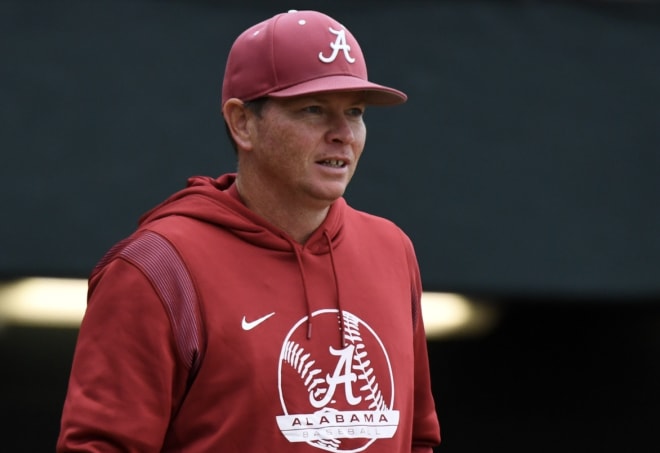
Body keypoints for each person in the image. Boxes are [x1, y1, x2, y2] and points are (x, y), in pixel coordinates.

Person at [57, 9, 441, 452]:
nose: (343, 135)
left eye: (354, 112)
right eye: (313, 110)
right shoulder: (157, 268)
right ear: (242, 123)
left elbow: (417, 437)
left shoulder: (392, 250)